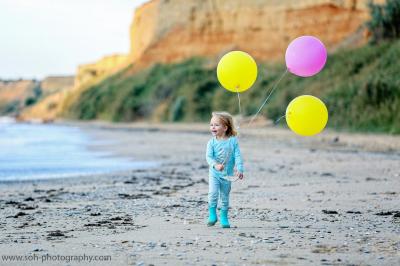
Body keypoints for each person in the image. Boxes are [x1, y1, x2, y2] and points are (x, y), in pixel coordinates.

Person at [206, 111, 244, 228]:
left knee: (224, 196)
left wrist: (239, 168)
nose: (213, 127)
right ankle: (212, 214)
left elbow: (238, 156)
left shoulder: (232, 141)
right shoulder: (211, 142)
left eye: (216, 125)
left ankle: (224, 217)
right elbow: (208, 157)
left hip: (227, 175)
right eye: (211, 124)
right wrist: (215, 165)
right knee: (212, 193)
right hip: (214, 174)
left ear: (225, 127)